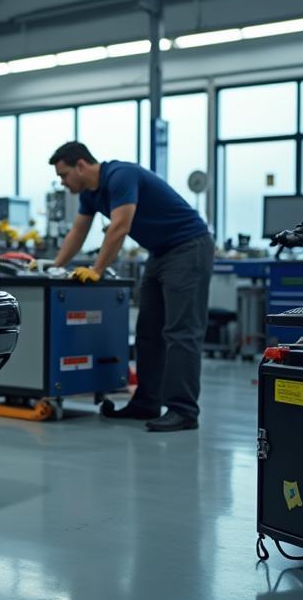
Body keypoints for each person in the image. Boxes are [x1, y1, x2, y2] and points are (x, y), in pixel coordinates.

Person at [49, 141, 213, 432]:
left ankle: (184, 410)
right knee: (148, 333)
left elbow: (120, 226)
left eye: (64, 175)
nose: (63, 182)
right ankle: (147, 402)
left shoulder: (120, 176)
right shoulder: (90, 193)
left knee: (180, 332)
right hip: (160, 252)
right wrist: (54, 267)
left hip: (188, 247)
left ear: (81, 165)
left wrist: (97, 269)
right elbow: (78, 230)